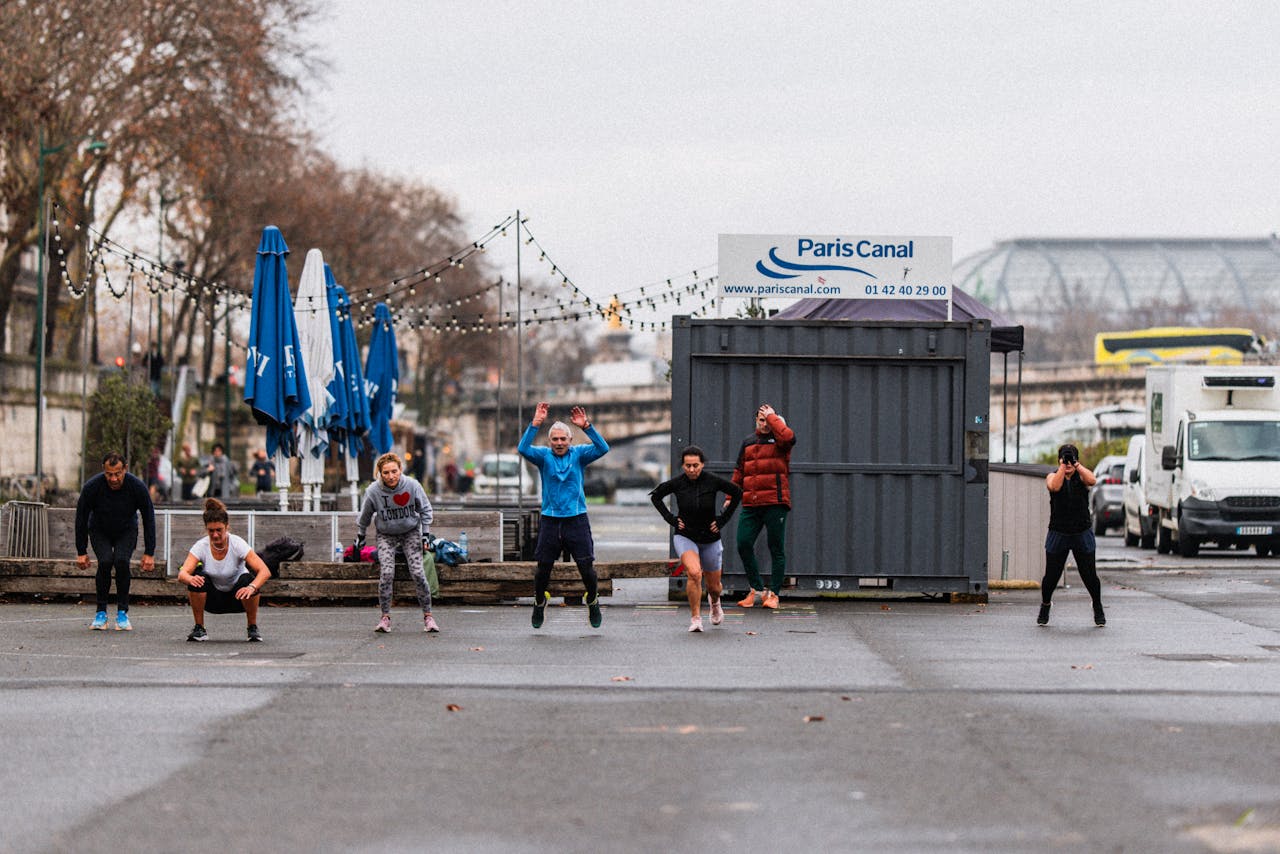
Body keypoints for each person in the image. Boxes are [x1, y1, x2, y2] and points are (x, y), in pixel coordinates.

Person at [518, 402, 609, 629]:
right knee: (543, 569)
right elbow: (523, 449)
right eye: (555, 440)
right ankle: (540, 602)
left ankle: (593, 599)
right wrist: (535, 423)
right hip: (550, 518)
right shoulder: (543, 456)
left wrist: (586, 427)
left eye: (563, 439)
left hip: (576, 518)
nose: (559, 443)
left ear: (570, 440)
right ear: (550, 442)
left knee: (586, 567)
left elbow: (603, 448)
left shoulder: (579, 455)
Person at [651, 445, 743, 632]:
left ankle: (715, 603)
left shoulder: (712, 481)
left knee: (714, 587)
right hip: (686, 536)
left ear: (702, 464)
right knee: (694, 573)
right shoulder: (677, 483)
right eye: (687, 466)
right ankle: (696, 618)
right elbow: (656, 496)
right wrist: (672, 519)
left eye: (695, 465)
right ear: (682, 466)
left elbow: (737, 493)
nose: (692, 470)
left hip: (710, 537)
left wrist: (722, 519)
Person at [355, 452, 439, 633]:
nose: (391, 476)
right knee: (386, 573)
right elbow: (365, 516)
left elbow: (425, 510)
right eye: (386, 473)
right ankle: (385, 617)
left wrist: (425, 535)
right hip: (386, 534)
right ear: (379, 473)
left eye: (394, 471)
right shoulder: (373, 491)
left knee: (417, 572)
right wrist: (361, 536)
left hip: (410, 532)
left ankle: (428, 616)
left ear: (401, 470)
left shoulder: (412, 485)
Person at [75, 453, 157, 631]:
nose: (113, 478)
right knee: (104, 562)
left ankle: (122, 612)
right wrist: (81, 551)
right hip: (99, 529)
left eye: (117, 474)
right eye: (109, 474)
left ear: (125, 469)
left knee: (121, 561)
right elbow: (81, 518)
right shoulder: (92, 487)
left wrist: (149, 552)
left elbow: (148, 517)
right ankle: (101, 613)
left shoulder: (136, 487)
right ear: (104, 471)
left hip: (126, 530)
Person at [176, 498, 271, 642]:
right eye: (211, 531)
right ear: (206, 529)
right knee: (197, 578)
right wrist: (190, 578)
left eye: (219, 530)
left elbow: (264, 571)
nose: (215, 535)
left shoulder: (237, 543)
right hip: (213, 600)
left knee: (248, 579)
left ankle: (252, 627)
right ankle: (199, 628)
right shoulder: (201, 546)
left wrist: (252, 587)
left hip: (239, 598)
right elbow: (182, 574)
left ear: (226, 527)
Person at [731, 403, 797, 610]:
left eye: (768, 419)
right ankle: (756, 589)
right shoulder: (748, 442)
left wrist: (772, 417)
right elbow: (740, 470)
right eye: (761, 419)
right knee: (743, 543)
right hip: (752, 502)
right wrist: (729, 495)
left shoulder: (780, 441)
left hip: (775, 502)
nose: (765, 423)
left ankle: (774, 594)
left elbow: (789, 437)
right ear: (755, 421)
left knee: (776, 547)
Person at [1039, 443, 1106, 627]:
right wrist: (1062, 466)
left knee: (1090, 575)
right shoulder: (1053, 475)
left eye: (1071, 458)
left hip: (1081, 532)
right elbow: (1054, 486)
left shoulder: (1082, 476)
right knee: (1050, 577)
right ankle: (1045, 605)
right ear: (1059, 460)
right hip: (1058, 532)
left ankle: (1097, 605)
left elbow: (1092, 480)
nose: (1068, 462)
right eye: (1064, 458)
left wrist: (1076, 465)